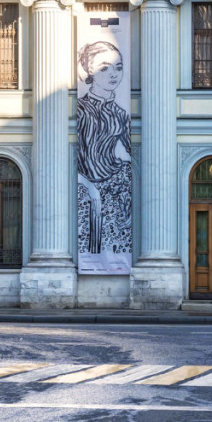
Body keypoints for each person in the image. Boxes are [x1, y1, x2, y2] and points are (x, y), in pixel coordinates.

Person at [75, 41, 132, 259]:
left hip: (115, 186)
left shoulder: (120, 113)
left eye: (118, 68)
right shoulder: (80, 109)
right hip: (87, 186)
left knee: (116, 241)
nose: (113, 74)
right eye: (104, 67)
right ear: (90, 69)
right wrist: (88, 185)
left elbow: (130, 152)